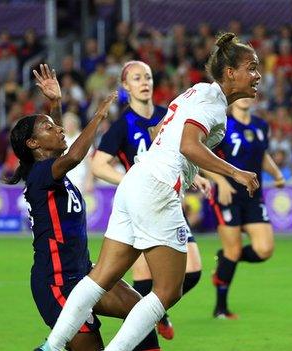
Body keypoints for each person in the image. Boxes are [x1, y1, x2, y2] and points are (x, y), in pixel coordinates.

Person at [37, 32, 261, 351]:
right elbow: (187, 144)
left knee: (101, 277)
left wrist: (189, 169)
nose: (258, 75)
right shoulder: (212, 105)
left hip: (136, 180)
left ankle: (52, 346)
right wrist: (234, 172)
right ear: (230, 73)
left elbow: (160, 132)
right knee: (168, 291)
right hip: (157, 189)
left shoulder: (197, 92)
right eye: (251, 67)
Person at [9, 64, 156, 351]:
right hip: (57, 283)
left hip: (84, 273)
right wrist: (100, 115)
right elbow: (75, 155)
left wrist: (56, 104)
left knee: (143, 313)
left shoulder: (51, 172)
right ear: (33, 143)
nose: (59, 129)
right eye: (48, 128)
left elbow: (61, 148)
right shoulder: (40, 176)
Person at [91, 60, 205, 342]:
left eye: (149, 77)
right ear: (126, 86)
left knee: (192, 271)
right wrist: (130, 180)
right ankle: (140, 336)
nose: (144, 82)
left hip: (169, 203)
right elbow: (98, 165)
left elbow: (184, 151)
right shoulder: (122, 125)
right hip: (142, 207)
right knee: (143, 274)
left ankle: (157, 312)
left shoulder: (169, 117)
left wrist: (195, 175)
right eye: (137, 78)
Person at [204, 97, 284, 318]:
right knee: (234, 250)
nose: (247, 96)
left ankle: (225, 260)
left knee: (264, 249)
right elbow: (200, 157)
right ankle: (221, 308)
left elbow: (262, 155)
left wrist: (276, 173)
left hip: (253, 197)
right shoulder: (222, 125)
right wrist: (219, 182)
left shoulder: (260, 125)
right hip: (227, 196)